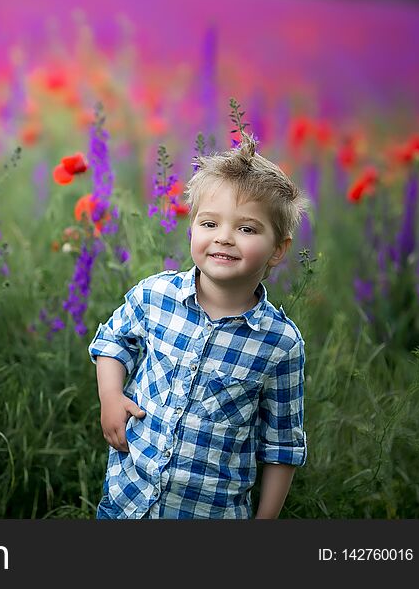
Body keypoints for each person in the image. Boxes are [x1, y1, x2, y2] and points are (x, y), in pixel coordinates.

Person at [89, 132, 310, 519]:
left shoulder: (280, 344)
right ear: (192, 228)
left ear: (278, 249)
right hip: (126, 503)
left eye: (247, 229)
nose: (223, 237)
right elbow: (112, 342)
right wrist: (111, 397)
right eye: (210, 223)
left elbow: (282, 446)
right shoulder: (154, 296)